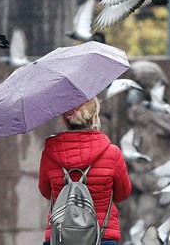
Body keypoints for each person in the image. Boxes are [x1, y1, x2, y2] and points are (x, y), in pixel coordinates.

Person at [38, 97, 132, 245]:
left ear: (64, 118)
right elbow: (122, 194)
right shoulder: (112, 153)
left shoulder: (49, 153)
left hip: (61, 236)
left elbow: (45, 191)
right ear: (94, 116)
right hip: (102, 235)